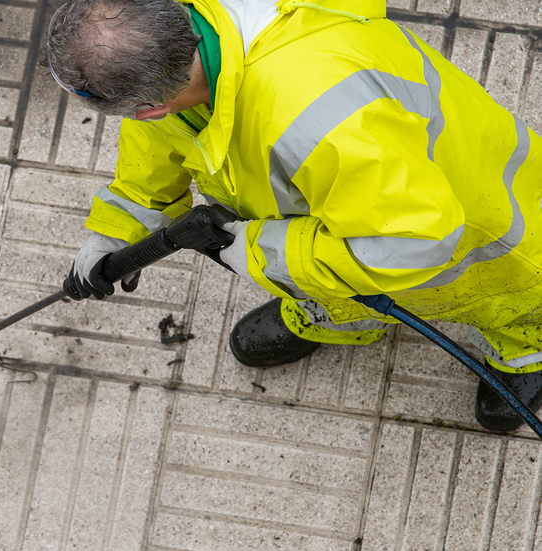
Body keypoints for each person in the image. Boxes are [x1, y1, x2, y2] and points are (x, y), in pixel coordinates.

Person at [40, 0, 542, 432]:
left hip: (483, 227)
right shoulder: (182, 34)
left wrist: (263, 252)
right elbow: (162, 141)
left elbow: (416, 242)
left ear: (146, 107)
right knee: (332, 282)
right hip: (355, 200)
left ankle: (523, 350)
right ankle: (334, 316)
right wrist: (117, 232)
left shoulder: (316, 116)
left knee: (505, 294)